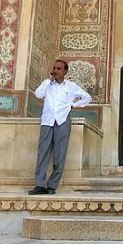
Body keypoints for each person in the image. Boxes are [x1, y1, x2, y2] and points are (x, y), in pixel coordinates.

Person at [28, 59, 91, 195]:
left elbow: (87, 97)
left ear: (65, 71)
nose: (56, 71)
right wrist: (48, 80)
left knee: (59, 153)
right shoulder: (48, 85)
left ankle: (52, 185)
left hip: (62, 121)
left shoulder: (71, 86)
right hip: (47, 121)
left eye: (59, 69)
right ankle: (40, 184)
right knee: (43, 152)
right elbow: (38, 94)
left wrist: (72, 105)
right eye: (54, 68)